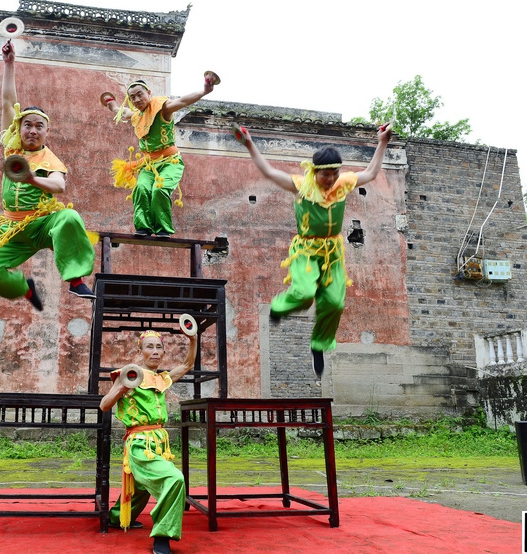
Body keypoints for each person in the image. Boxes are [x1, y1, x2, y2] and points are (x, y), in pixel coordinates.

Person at [236, 123, 392, 379]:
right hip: (306, 250)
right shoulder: (302, 186)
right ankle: (279, 308)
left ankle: (319, 344)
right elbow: (268, 172)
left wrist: (382, 142)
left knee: (335, 302)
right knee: (306, 293)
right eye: (325, 175)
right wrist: (250, 144)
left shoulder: (343, 184)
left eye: (334, 174)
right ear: (315, 172)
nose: (330, 179)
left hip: (333, 253)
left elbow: (371, 173)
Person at [0, 40, 96, 309]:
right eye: (27, 125)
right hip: (13, 230)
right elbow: (7, 103)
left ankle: (76, 280)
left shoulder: (50, 159)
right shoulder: (12, 148)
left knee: (70, 217)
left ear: (46, 132)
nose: (33, 130)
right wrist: (9, 64)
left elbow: (59, 186)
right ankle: (23, 288)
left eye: (39, 126)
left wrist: (31, 179)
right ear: (20, 129)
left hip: (42, 225)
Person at [99, 329, 198, 554]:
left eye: (158, 347)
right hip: (139, 444)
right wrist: (123, 386)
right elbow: (104, 405)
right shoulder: (129, 374)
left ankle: (115, 517)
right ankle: (162, 535)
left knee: (140, 488)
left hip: (159, 443)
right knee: (174, 479)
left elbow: (187, 365)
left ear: (163, 353)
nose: (154, 351)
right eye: (149, 347)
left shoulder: (161, 378)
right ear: (140, 351)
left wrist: (193, 338)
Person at [102, 75, 217, 237]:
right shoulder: (136, 115)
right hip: (149, 164)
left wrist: (204, 91)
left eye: (140, 94)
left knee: (159, 189)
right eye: (132, 97)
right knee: (141, 188)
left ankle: (163, 228)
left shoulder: (163, 108)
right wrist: (111, 103)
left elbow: (183, 101)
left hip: (170, 162)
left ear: (149, 93)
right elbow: (120, 111)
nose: (136, 99)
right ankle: (143, 228)